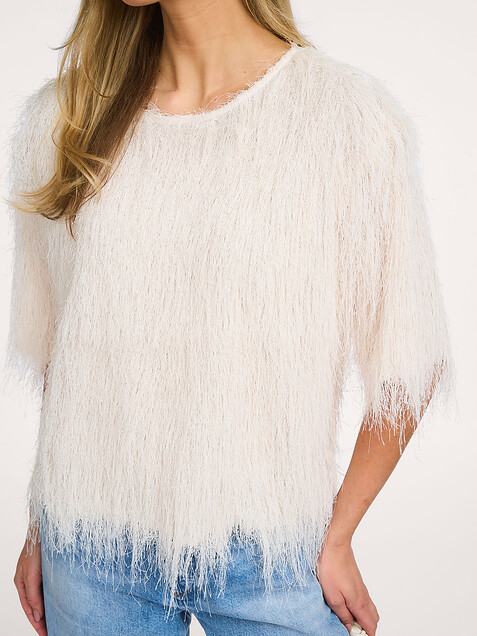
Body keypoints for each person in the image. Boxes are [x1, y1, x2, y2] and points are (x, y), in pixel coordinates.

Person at [6, 0, 457, 635]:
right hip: (86, 547)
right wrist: (40, 523)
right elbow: (66, 351)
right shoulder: (66, 119)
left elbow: (410, 360)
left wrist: (337, 535)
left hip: (269, 555)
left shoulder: (345, 116)